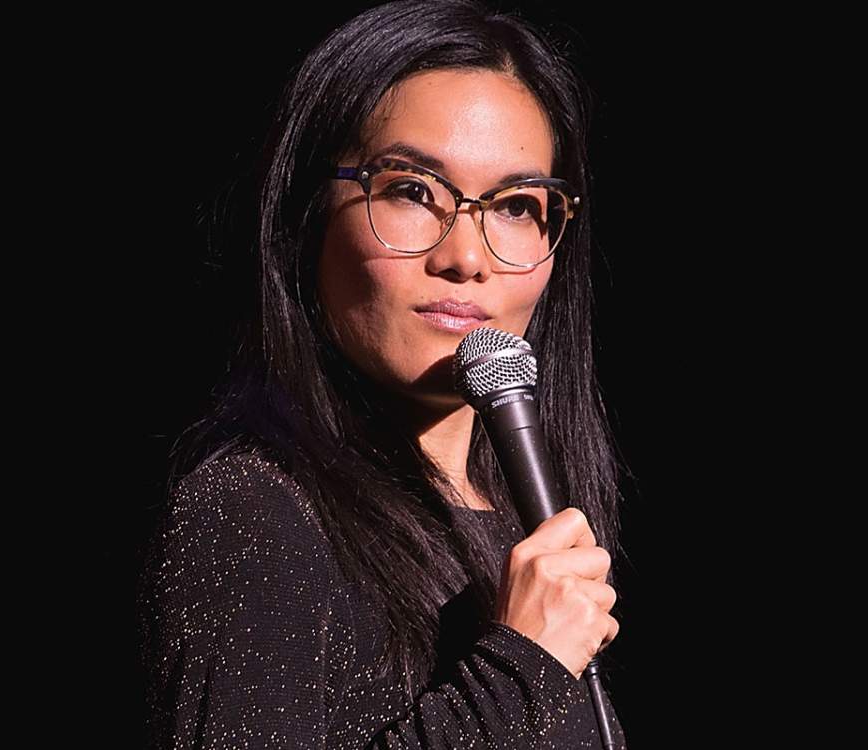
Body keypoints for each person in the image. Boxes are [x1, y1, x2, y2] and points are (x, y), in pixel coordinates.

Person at [137, 1, 631, 746]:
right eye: (409, 191)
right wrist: (519, 671)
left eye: (517, 206)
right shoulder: (255, 513)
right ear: (308, 216)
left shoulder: (529, 537)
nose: (467, 256)